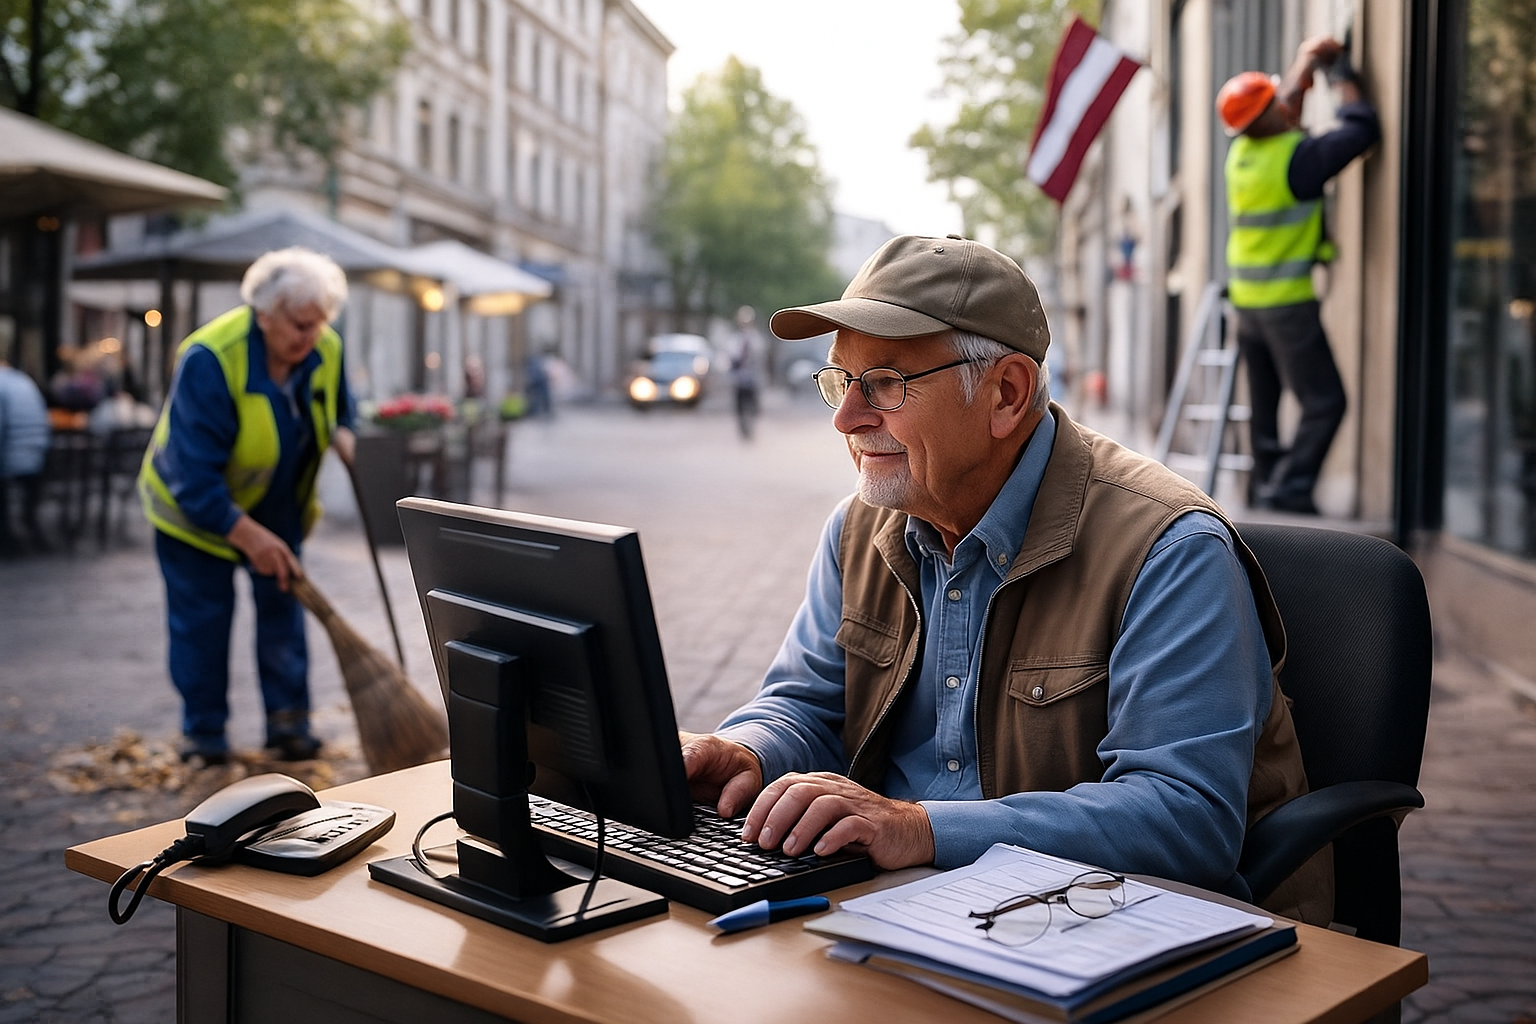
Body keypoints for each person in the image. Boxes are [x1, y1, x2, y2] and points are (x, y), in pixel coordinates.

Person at [680, 234, 1332, 924]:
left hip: (1103, 931)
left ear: (1007, 394)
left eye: (886, 384)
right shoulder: (857, 530)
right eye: (842, 381)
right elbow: (808, 703)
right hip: (896, 913)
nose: (847, 418)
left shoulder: (1168, 548)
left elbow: (1184, 818)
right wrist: (747, 750)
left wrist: (918, 828)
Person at [138, 247, 357, 765]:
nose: (312, 337)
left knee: (284, 608)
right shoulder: (210, 359)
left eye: (320, 324)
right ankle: (204, 736)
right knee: (204, 619)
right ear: (264, 314)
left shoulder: (324, 345)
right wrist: (249, 536)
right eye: (301, 326)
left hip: (277, 503)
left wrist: (347, 435)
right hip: (193, 511)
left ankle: (289, 727)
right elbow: (193, 480)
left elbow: (343, 409)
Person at [1217, 37, 1380, 515]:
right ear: (1267, 116)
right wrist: (1340, 74)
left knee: (1264, 410)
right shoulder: (1298, 160)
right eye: (1274, 102)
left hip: (1247, 305)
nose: (1285, 102)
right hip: (1285, 304)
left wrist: (1306, 62)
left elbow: (1280, 102)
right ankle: (1289, 489)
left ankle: (1265, 492)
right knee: (1326, 401)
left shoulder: (1242, 156)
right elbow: (1361, 129)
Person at [0, 354, 52, 555]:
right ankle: (28, 527)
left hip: (14, 459)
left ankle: (6, 539)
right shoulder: (23, 381)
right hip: (38, 456)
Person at [727, 305, 764, 439]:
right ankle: (743, 428)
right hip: (739, 377)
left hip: (752, 377)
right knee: (739, 405)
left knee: (752, 404)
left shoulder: (755, 338)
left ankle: (751, 427)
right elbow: (732, 357)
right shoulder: (735, 339)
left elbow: (760, 357)